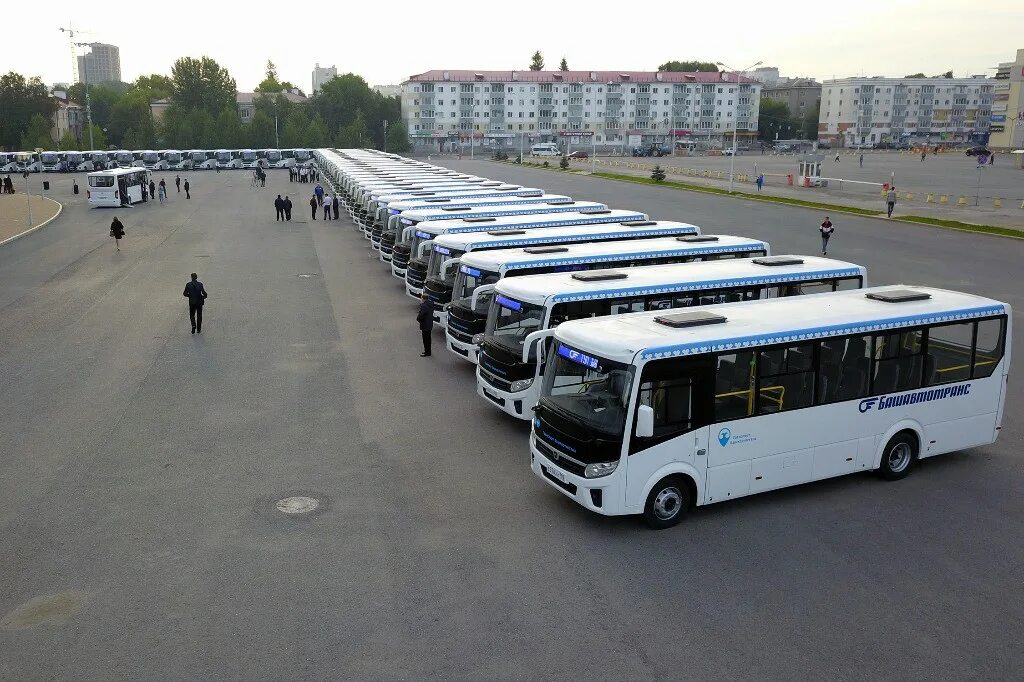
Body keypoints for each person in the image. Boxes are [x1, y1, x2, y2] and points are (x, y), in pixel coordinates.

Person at [416, 293, 433, 357]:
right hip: (430, 324)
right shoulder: (431, 304)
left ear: (423, 299)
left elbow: (420, 316)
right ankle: (429, 351)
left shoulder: (424, 306)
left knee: (425, 339)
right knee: (428, 339)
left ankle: (427, 352)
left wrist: (418, 320)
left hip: (425, 325)